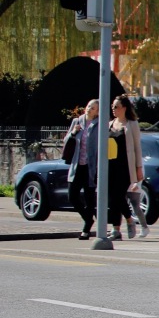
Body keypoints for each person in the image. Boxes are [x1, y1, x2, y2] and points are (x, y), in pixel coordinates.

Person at [104, 97, 142, 241]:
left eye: (116, 107)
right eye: (113, 107)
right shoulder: (109, 124)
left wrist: (139, 168)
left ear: (124, 108)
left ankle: (128, 221)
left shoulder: (132, 124)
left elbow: (138, 147)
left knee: (118, 196)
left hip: (125, 167)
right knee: (113, 198)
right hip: (110, 165)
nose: (113, 109)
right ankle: (117, 229)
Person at [63, 99, 98, 239]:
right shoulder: (77, 122)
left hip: (91, 167)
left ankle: (86, 230)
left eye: (93, 108)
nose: (89, 109)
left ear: (97, 112)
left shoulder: (99, 125)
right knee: (72, 196)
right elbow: (65, 141)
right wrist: (72, 133)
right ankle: (88, 219)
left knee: (89, 199)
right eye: (89, 106)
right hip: (77, 165)